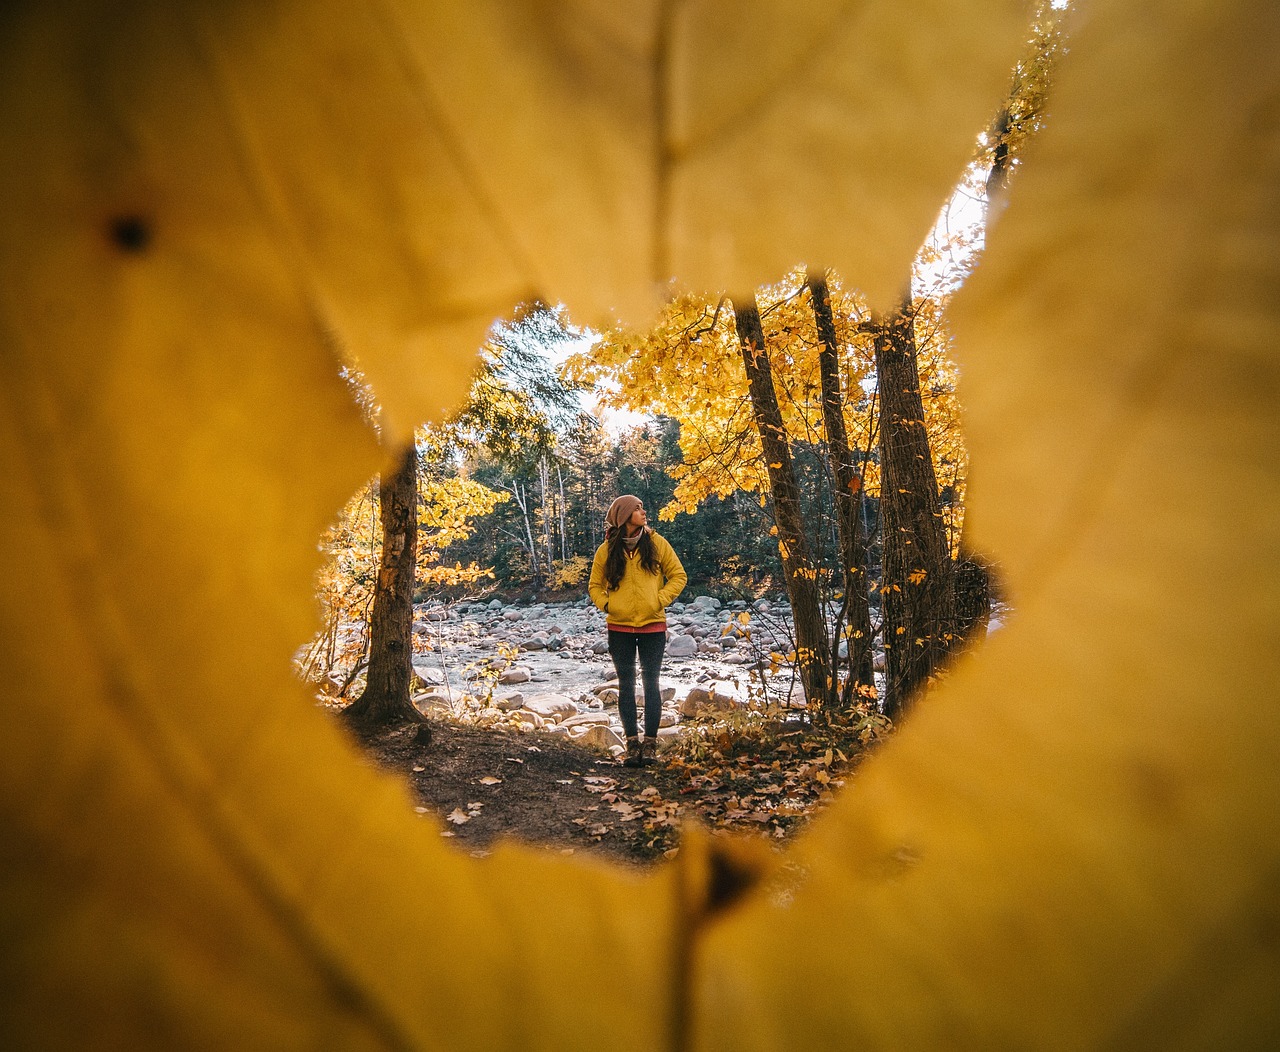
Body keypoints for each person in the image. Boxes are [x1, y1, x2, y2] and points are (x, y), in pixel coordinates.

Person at [588, 494, 687, 767]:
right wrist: (607, 604)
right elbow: (595, 585)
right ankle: (632, 744)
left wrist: (659, 599)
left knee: (651, 684)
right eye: (637, 508)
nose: (643, 512)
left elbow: (678, 575)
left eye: (643, 507)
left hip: (653, 626)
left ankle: (651, 745)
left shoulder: (656, 543)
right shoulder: (606, 550)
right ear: (624, 515)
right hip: (618, 627)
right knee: (626, 685)